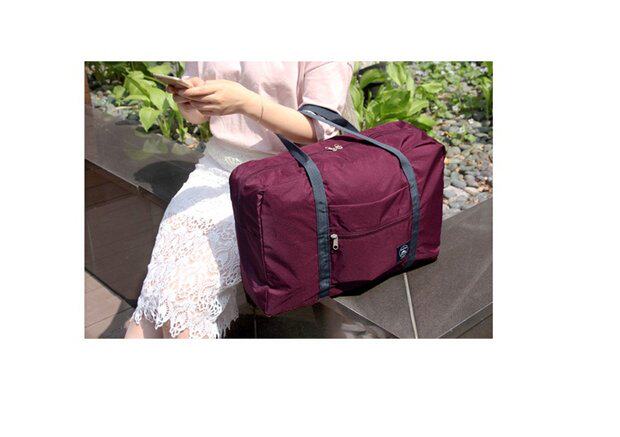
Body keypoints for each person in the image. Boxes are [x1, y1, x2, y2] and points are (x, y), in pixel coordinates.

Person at [125, 61, 353, 338]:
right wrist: (190, 102)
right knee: (156, 299)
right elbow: (198, 117)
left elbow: (319, 129)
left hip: (281, 181)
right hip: (215, 169)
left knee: (180, 314)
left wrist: (247, 103)